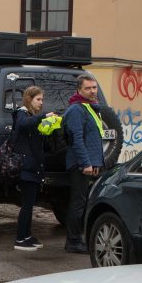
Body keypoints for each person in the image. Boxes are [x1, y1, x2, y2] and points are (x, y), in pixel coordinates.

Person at [63, 74, 105, 253]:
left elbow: (93, 138)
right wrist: (86, 163)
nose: (92, 91)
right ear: (79, 90)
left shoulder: (90, 108)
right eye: (88, 88)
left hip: (89, 163)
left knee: (84, 202)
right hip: (80, 164)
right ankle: (73, 241)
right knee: (78, 203)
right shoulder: (76, 110)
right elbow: (77, 140)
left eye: (94, 87)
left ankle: (78, 239)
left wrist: (95, 162)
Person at [11, 87, 57, 252]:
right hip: (25, 167)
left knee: (30, 203)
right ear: (29, 99)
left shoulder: (32, 117)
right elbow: (24, 124)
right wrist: (44, 117)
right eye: (38, 99)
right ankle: (20, 239)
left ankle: (27, 235)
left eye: (42, 100)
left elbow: (40, 142)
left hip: (35, 168)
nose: (41, 103)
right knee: (27, 205)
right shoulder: (21, 113)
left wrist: (48, 129)